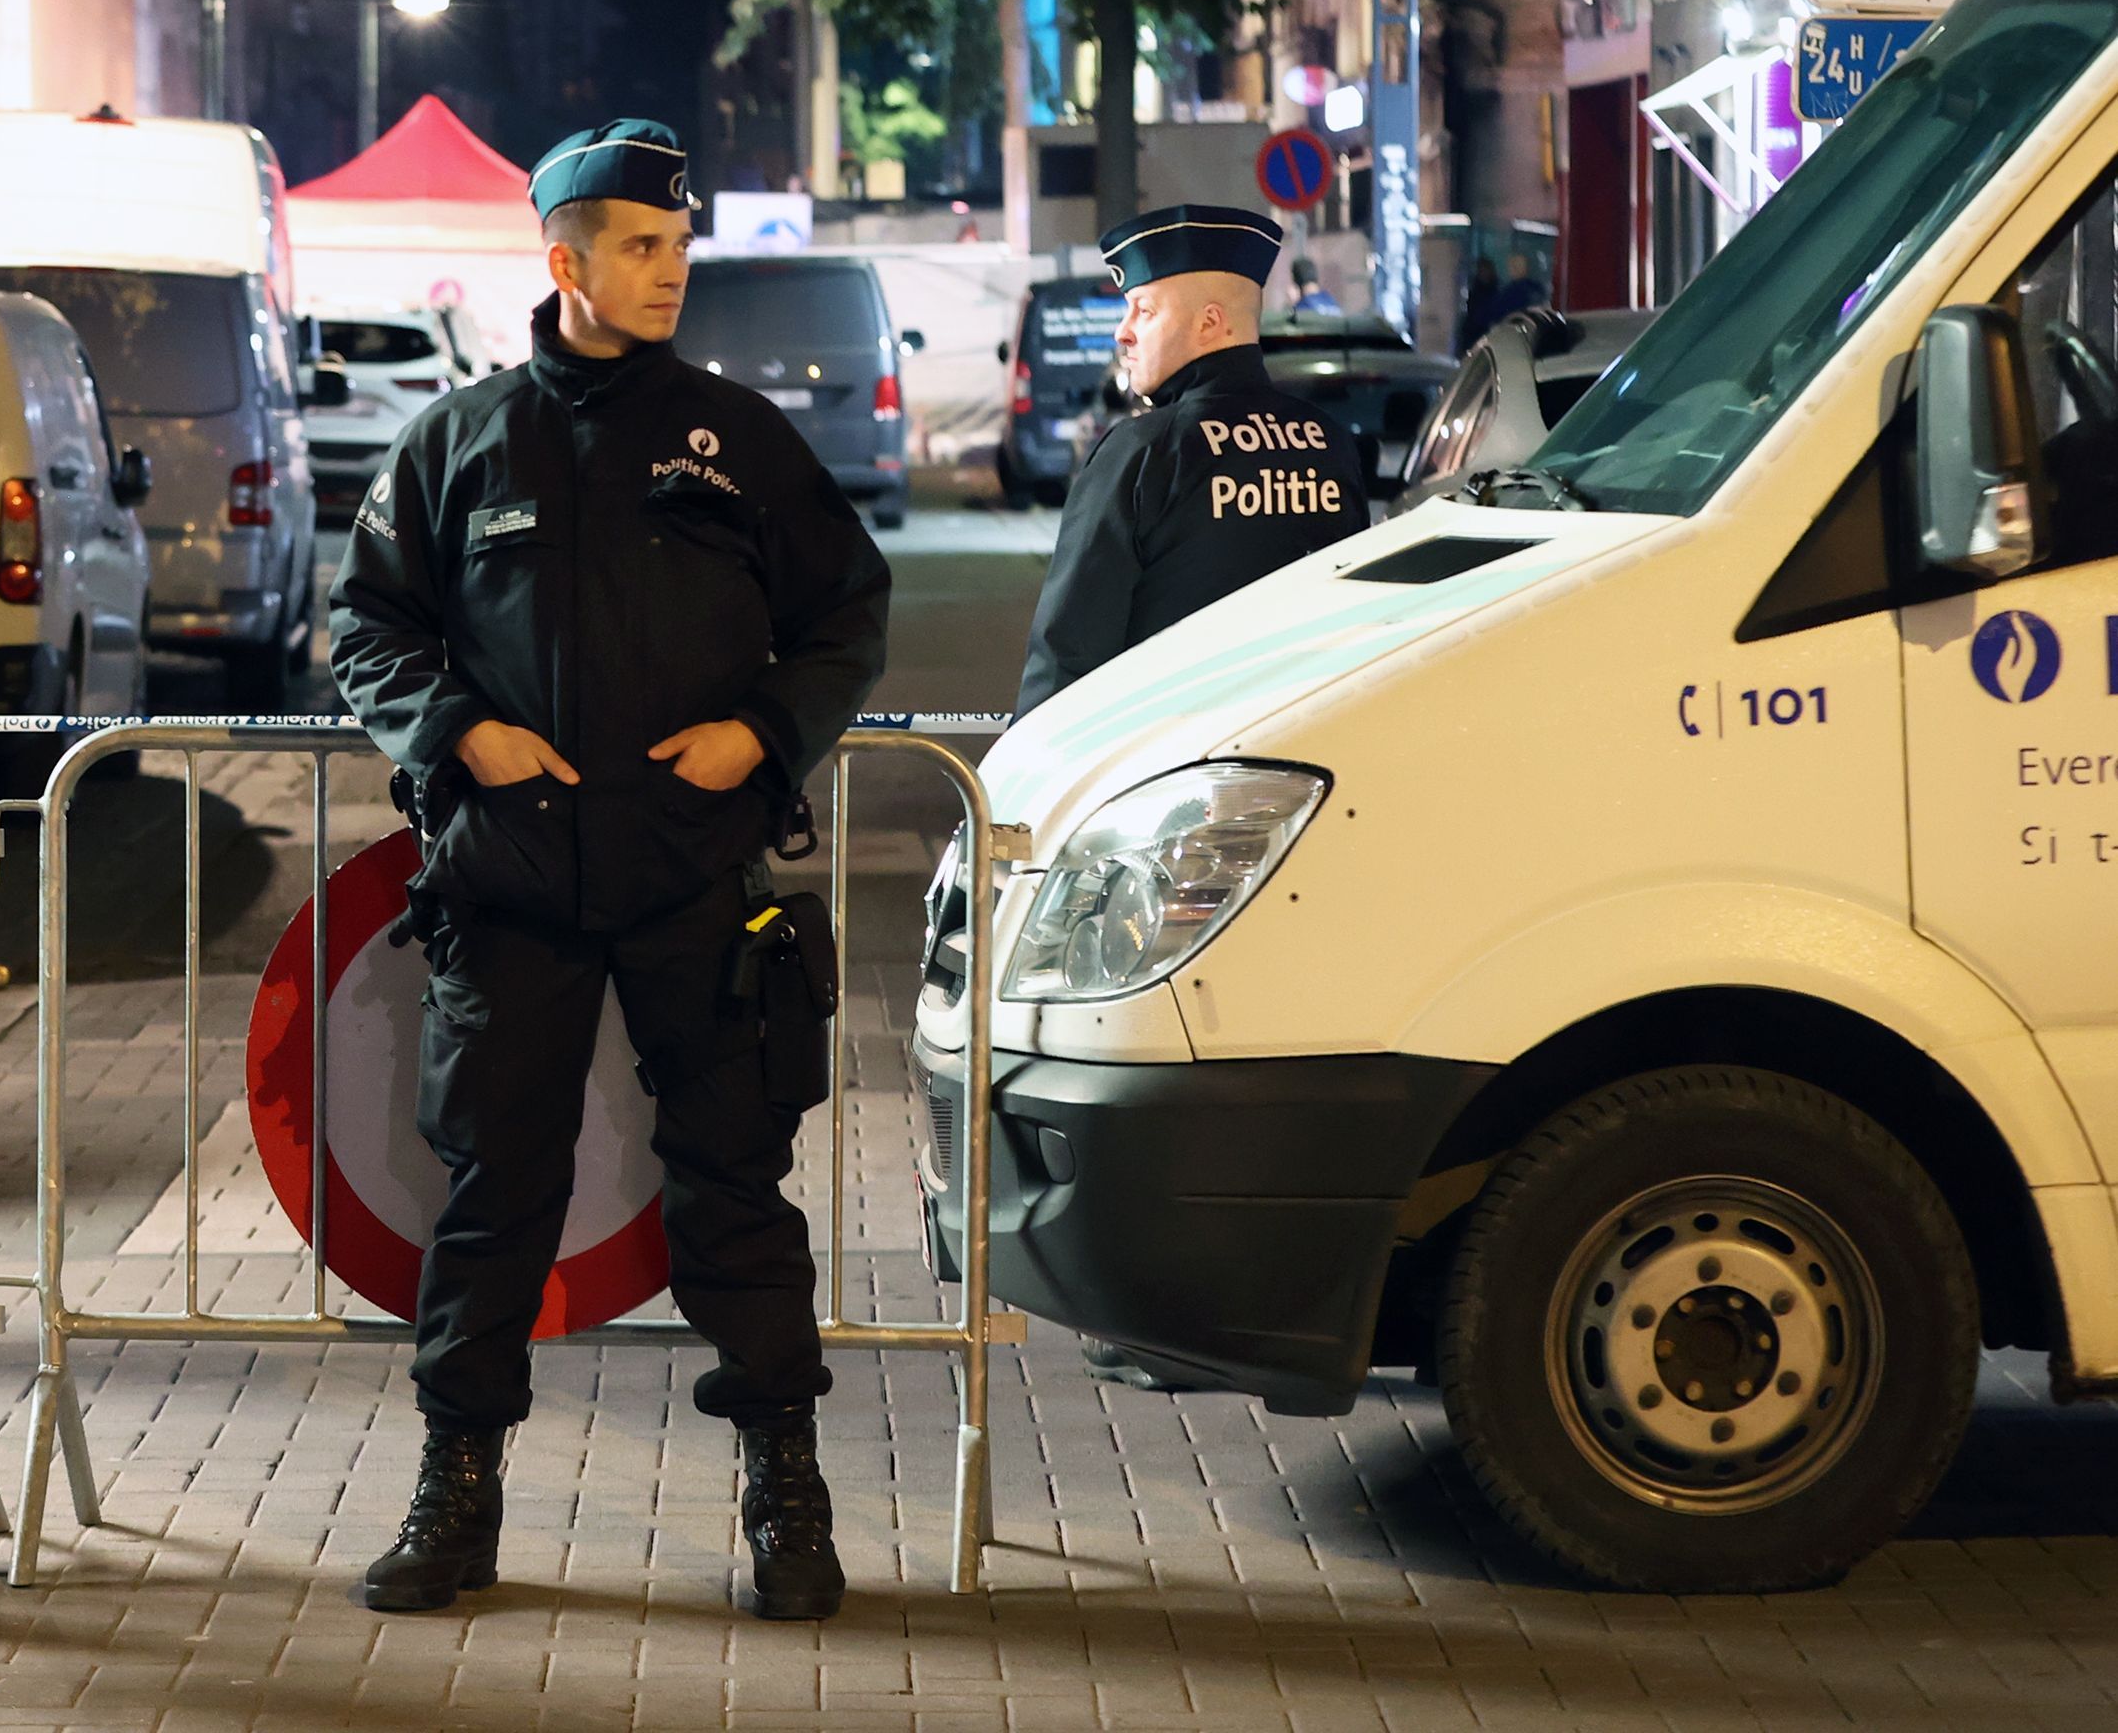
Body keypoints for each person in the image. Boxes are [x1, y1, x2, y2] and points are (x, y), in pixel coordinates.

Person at [326, 119, 894, 1622]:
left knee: (734, 1191)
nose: (670, 273)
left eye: (680, 248)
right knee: (490, 1199)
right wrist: (460, 735)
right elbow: (364, 630)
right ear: (563, 259)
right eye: (642, 248)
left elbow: (846, 614)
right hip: (508, 884)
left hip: (696, 884)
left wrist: (764, 735)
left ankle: (785, 1489)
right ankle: (455, 1493)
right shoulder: (456, 442)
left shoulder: (738, 437)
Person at [1018, 201, 1368, 720]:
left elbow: (1069, 653)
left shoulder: (1143, 452)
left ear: (1210, 323)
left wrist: (1023, 780)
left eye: (1146, 310)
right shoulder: (1329, 442)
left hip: (1167, 760)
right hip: (1306, 748)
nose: (1124, 331)